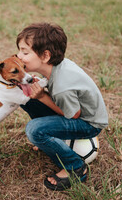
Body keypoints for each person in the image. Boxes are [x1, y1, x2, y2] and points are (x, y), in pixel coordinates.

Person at [16, 22, 108, 191]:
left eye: (25, 52)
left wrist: (43, 96)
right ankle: (51, 141)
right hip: (76, 113)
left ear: (45, 56)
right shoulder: (57, 67)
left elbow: (74, 115)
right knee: (27, 98)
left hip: (88, 123)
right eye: (19, 50)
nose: (19, 56)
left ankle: (75, 167)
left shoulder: (61, 87)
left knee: (34, 130)